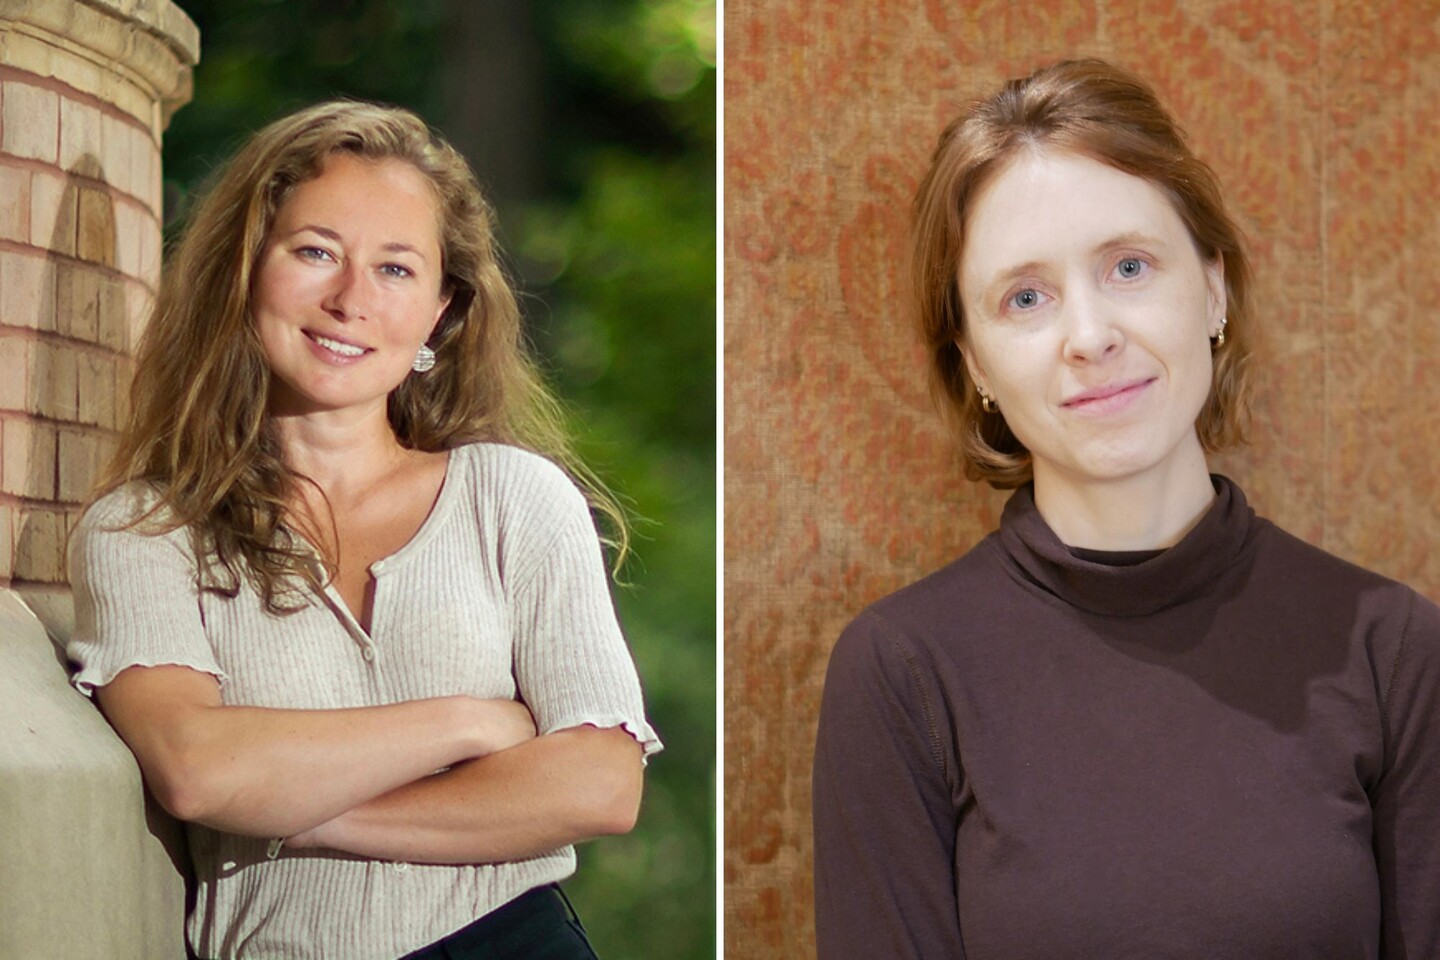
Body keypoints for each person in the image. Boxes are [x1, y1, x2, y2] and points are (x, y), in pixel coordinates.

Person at [812, 59, 1439, 959]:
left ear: (1213, 288)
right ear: (976, 363)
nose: (1090, 336)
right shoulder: (905, 673)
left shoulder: (1395, 651)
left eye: (1130, 267)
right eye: (1025, 297)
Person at [66, 100, 661, 960]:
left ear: (441, 313)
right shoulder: (145, 530)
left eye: (395, 270)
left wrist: (301, 817)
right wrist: (469, 722)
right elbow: (200, 770)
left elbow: (600, 784)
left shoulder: (515, 498)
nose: (350, 301)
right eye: (315, 253)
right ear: (244, 270)